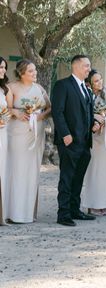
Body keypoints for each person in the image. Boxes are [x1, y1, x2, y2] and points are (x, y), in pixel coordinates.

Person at [51, 55, 98, 227]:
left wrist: (94, 124)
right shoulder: (62, 85)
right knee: (67, 177)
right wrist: (65, 134)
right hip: (69, 141)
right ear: (76, 66)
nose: (88, 69)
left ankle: (74, 210)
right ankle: (63, 214)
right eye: (86, 66)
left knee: (78, 178)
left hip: (85, 141)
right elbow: (58, 111)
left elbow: (86, 112)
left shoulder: (86, 88)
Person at [6, 59, 51, 223]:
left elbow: (49, 107)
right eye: (31, 71)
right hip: (17, 133)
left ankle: (27, 213)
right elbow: (7, 109)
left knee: (31, 171)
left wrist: (40, 116)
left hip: (36, 133)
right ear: (21, 73)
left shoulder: (39, 88)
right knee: (16, 169)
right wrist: (16, 112)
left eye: (35, 70)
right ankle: (12, 212)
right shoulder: (12, 87)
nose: (35, 73)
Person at [83, 70, 106, 216]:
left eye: (100, 79)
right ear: (90, 83)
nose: (100, 83)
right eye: (96, 81)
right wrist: (96, 119)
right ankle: (92, 203)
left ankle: (104, 203)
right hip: (95, 133)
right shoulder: (87, 93)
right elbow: (84, 112)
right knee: (94, 168)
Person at [0, 56, 12, 225]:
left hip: (3, 133)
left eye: (4, 67)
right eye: (0, 67)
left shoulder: (4, 90)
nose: (3, 70)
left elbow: (8, 110)